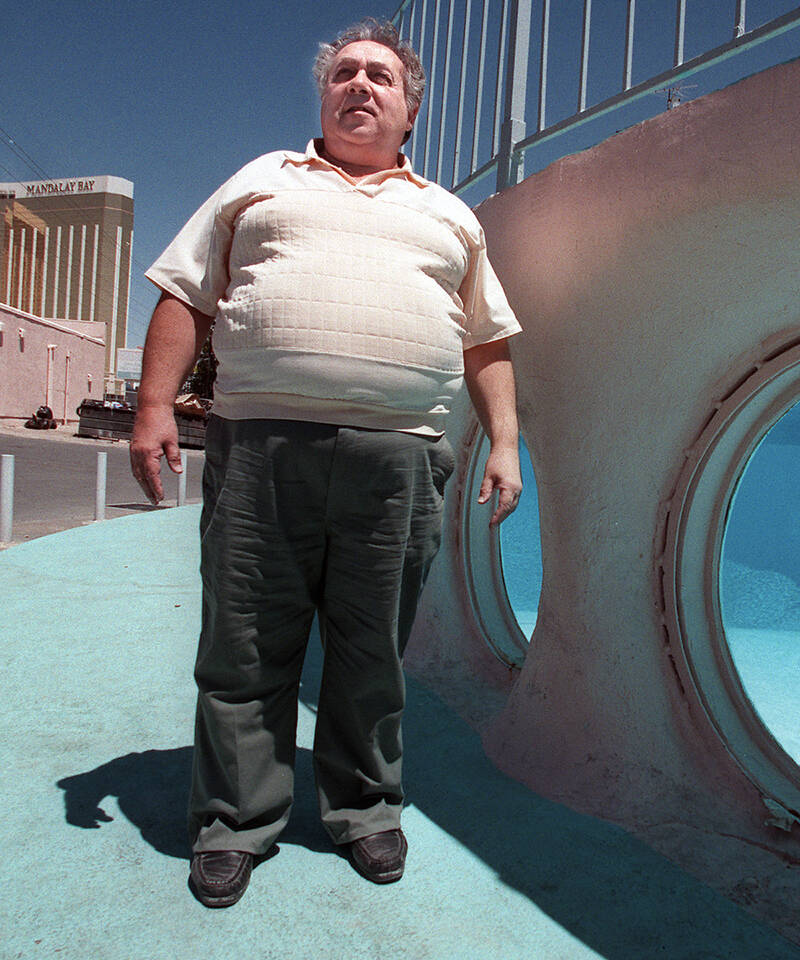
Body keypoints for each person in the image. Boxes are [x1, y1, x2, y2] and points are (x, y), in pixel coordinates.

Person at [130, 17, 522, 908]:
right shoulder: (261, 180)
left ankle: (366, 810)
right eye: (345, 72)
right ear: (323, 94)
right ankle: (234, 821)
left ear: (409, 107)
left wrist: (504, 440)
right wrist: (154, 406)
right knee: (245, 645)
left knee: (372, 651)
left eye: (380, 76)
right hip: (262, 446)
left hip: (399, 461)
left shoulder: (449, 214)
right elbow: (185, 291)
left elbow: (489, 337)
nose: (360, 86)